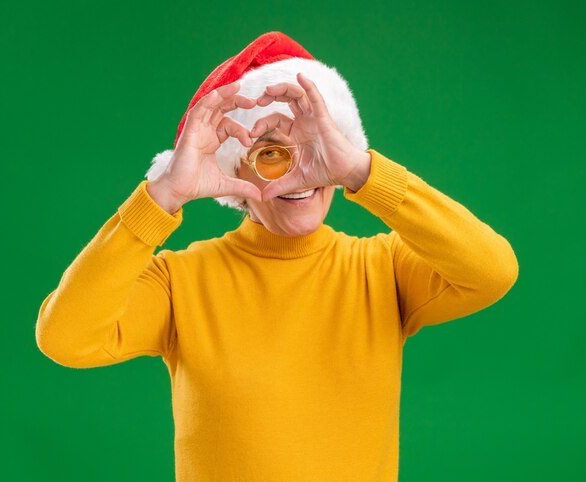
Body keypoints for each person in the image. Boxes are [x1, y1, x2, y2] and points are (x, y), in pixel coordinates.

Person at [35, 31, 519, 481]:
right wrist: (160, 198)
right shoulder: (180, 280)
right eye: (271, 153)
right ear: (233, 169)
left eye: (314, 149)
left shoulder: (382, 269)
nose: (300, 174)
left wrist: (360, 171)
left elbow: (492, 270)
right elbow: (66, 338)